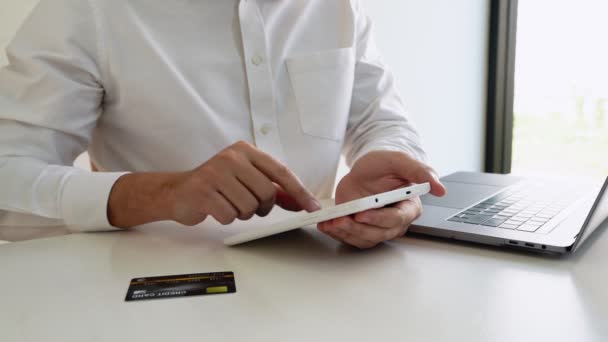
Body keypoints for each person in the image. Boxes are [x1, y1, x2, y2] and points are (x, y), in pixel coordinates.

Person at [0, 0, 446, 248]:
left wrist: (388, 182)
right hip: (157, 304)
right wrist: (165, 193)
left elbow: (381, 120)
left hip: (326, 286)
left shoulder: (338, 7)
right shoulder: (87, 10)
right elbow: (8, 182)